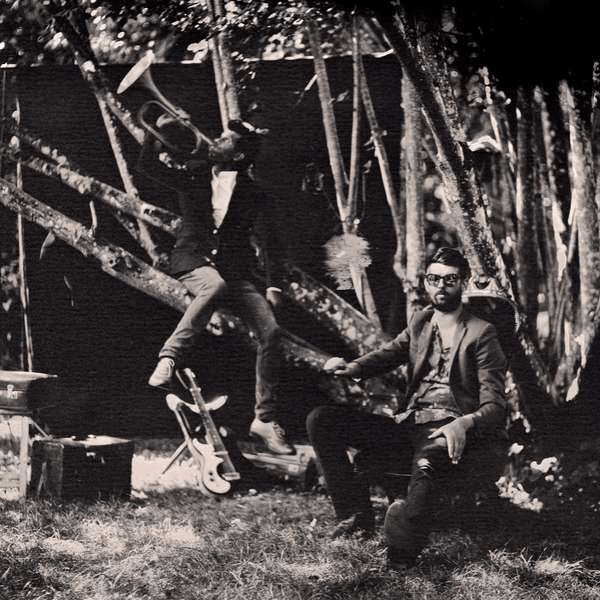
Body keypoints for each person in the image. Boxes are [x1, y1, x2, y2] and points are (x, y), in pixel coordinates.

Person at [306, 247, 508, 567]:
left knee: (428, 463)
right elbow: (391, 353)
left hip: (445, 427)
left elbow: (495, 405)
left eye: (450, 279)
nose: (441, 286)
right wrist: (353, 367)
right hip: (408, 422)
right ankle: (355, 517)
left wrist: (463, 424)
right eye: (434, 279)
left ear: (463, 282)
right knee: (322, 419)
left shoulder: (482, 333)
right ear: (426, 282)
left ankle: (403, 547)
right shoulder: (421, 320)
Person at [147, 118, 294, 455]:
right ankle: (168, 357)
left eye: (227, 139)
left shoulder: (254, 193)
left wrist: (274, 286)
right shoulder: (194, 172)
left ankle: (264, 420)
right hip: (193, 261)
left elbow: (271, 242)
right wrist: (157, 130)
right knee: (212, 287)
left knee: (271, 332)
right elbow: (148, 167)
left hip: (235, 273)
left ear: (238, 155)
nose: (217, 139)